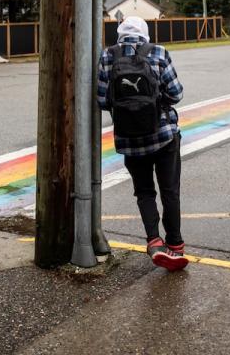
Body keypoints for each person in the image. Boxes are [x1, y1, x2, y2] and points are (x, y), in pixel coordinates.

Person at [97, 15, 186, 271]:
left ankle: (154, 242)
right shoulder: (158, 52)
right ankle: (176, 245)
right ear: (145, 34)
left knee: (145, 192)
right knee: (170, 189)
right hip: (164, 135)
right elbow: (176, 94)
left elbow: (102, 100)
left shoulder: (107, 56)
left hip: (129, 139)